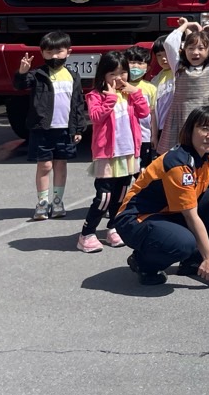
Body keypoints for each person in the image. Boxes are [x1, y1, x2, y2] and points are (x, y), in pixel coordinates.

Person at [114, 106, 209, 286]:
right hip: (135, 219)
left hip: (167, 212)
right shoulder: (178, 163)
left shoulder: (208, 154)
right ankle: (143, 263)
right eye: (204, 128)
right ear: (190, 130)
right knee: (183, 243)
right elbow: (191, 216)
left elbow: (194, 184)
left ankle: (193, 262)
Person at [79, 51, 149, 253]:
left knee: (121, 195)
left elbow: (144, 112)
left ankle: (113, 228)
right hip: (107, 154)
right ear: (103, 75)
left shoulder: (129, 94)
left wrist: (135, 92)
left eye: (122, 72)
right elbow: (96, 117)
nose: (118, 78)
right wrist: (109, 98)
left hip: (128, 153)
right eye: (113, 74)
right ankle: (87, 234)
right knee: (104, 196)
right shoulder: (95, 95)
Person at [14, 30, 88, 222]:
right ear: (42, 53)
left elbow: (78, 103)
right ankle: (42, 202)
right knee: (45, 165)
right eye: (49, 52)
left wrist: (78, 128)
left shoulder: (73, 76)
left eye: (58, 52)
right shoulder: (38, 74)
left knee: (61, 164)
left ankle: (57, 201)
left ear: (68, 52)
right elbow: (20, 85)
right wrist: (22, 72)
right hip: (42, 129)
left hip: (65, 129)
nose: (54, 56)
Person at [159, 18, 209, 157]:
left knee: (207, 150)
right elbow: (169, 43)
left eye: (201, 48)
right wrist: (185, 26)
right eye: (191, 48)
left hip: (206, 114)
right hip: (183, 114)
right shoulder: (178, 67)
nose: (195, 52)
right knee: (184, 150)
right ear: (184, 50)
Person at [124, 45, 159, 170]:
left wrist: (154, 136)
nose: (135, 66)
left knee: (143, 169)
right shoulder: (119, 86)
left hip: (144, 137)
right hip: (125, 137)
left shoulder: (151, 88)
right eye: (131, 62)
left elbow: (153, 114)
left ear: (147, 68)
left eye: (140, 63)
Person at [150, 36, 174, 166]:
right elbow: (153, 110)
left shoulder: (180, 74)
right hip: (161, 128)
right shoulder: (156, 80)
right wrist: (154, 135)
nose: (163, 58)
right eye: (159, 55)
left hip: (176, 127)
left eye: (167, 54)